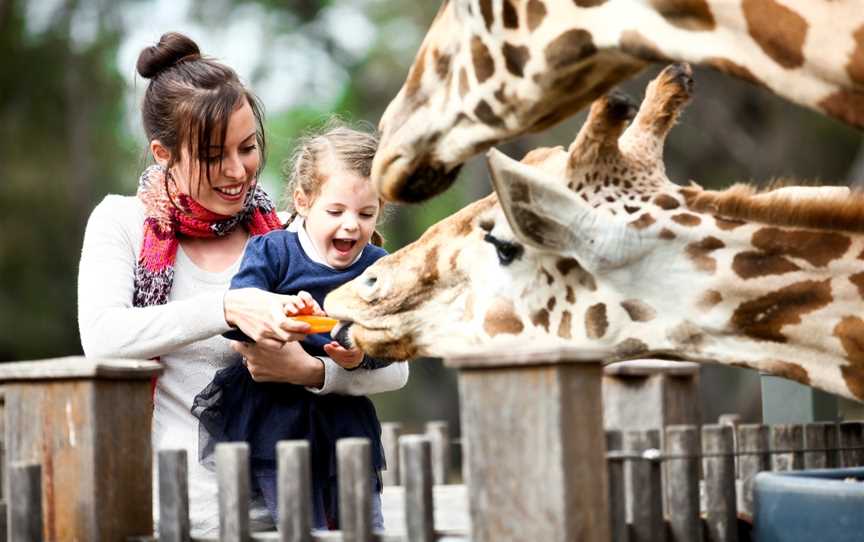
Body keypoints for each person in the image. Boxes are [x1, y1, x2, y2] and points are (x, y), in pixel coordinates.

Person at [76, 33, 409, 537]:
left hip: (305, 507)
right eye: (214, 156)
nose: (238, 172)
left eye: (248, 147)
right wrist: (230, 307)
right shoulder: (123, 222)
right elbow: (102, 336)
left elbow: (395, 368)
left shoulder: (286, 233)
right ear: (163, 153)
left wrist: (313, 372)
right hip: (194, 514)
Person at [192, 124, 402, 530]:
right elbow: (238, 317)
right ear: (303, 202)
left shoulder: (378, 264)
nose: (351, 226)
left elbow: (389, 340)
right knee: (303, 529)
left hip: (344, 421)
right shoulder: (272, 250)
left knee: (367, 527)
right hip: (276, 418)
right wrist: (281, 316)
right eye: (336, 211)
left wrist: (360, 355)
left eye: (366, 213)